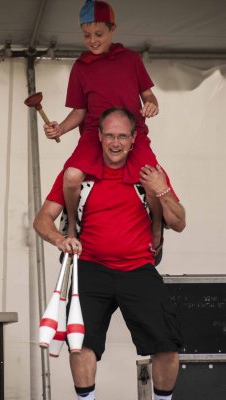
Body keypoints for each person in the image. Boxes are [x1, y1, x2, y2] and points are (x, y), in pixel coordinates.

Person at [35, 107, 186, 400]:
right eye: (109, 136)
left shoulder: (150, 173)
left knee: (167, 346)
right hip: (90, 268)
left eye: (122, 136)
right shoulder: (79, 175)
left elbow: (179, 222)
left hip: (138, 268)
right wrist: (60, 239)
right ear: (99, 138)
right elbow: (42, 219)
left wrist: (162, 190)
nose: (115, 143)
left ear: (133, 139)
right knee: (81, 345)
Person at [44, 0, 160, 239]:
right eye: (86, 35)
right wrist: (61, 130)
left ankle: (156, 229)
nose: (92, 40)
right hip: (94, 135)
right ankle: (73, 227)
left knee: (153, 180)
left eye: (99, 33)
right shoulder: (80, 67)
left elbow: (148, 95)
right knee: (72, 176)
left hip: (132, 134)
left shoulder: (131, 59)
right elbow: (79, 112)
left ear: (112, 29)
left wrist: (152, 105)